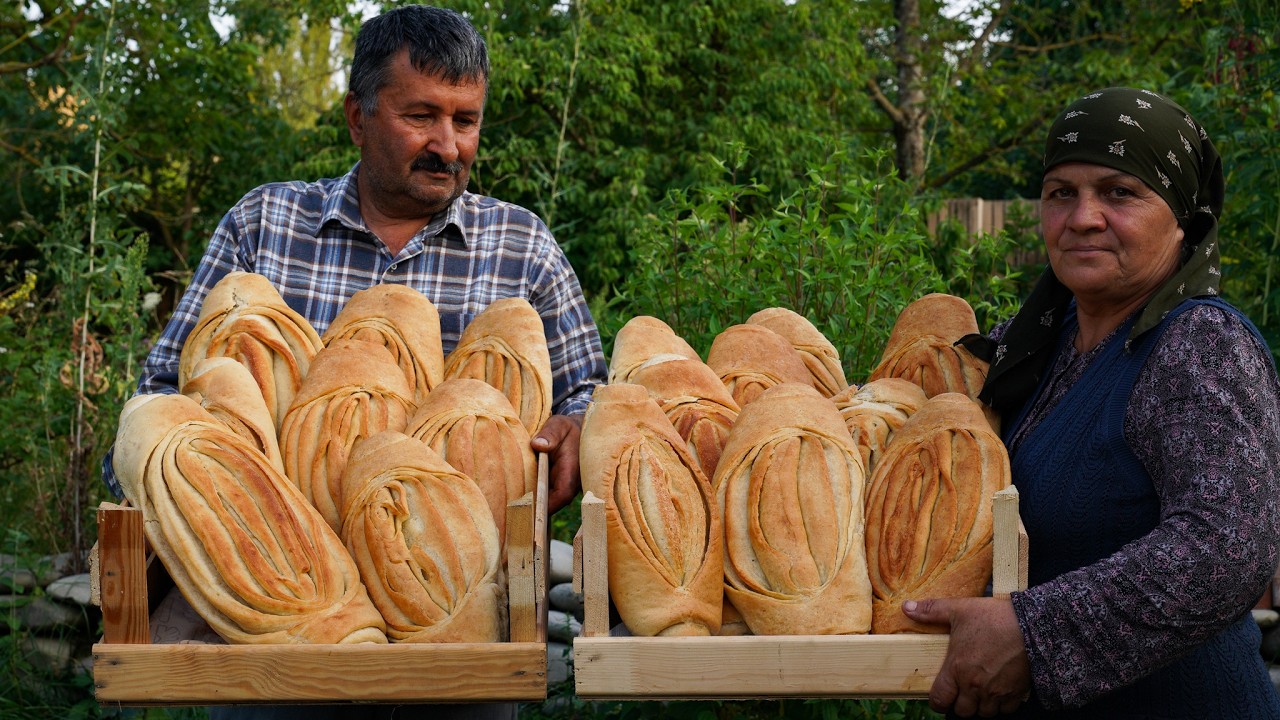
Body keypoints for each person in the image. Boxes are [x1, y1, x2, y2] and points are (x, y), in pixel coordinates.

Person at [104, 5, 606, 719]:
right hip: (278, 636)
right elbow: (161, 399)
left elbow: (589, 394)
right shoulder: (263, 226)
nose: (447, 145)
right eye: (420, 116)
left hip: (462, 646)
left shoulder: (522, 246)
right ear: (357, 118)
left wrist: (577, 429)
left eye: (465, 121)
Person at [901, 87, 1280, 718]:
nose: (1082, 218)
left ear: (1181, 218)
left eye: (1119, 192)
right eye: (1061, 193)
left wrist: (1034, 634)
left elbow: (1228, 549)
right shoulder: (1035, 348)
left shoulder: (1199, 345)